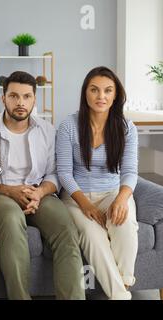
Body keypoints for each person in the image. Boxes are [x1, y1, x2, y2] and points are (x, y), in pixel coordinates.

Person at [0, 71, 85, 300]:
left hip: (38, 192)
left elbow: (55, 173)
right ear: (3, 99)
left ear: (34, 99)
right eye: (13, 96)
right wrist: (10, 191)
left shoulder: (48, 130)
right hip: (1, 194)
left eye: (26, 96)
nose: (20, 103)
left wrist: (39, 193)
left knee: (66, 228)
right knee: (12, 222)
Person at [56, 66, 138, 300]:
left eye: (107, 91)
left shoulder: (126, 128)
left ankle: (123, 284)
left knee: (125, 224)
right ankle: (121, 296)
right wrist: (86, 205)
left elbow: (131, 171)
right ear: (85, 94)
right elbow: (64, 173)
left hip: (113, 191)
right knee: (93, 236)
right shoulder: (68, 126)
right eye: (94, 90)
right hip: (76, 197)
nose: (101, 96)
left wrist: (122, 199)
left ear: (115, 95)